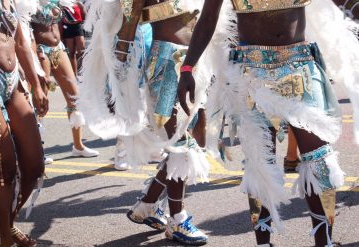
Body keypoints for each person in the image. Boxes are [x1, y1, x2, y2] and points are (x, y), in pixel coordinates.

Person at [177, 0, 358, 246]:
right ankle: (263, 243)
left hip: (300, 67)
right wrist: (188, 67)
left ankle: (323, 241)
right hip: (251, 73)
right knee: (259, 163)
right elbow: (208, 19)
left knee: (319, 161)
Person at [79, 0, 208, 245]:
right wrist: (118, 84)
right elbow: (128, 24)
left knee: (190, 143)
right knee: (179, 144)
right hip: (168, 63)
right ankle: (177, 219)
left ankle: (147, 205)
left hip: (193, 64)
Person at [0, 0, 49, 246]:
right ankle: (5, 238)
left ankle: (5, 226)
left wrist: (36, 85)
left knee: (35, 165)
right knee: (5, 168)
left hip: (13, 81)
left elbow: (22, 41)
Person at [31, 0, 99, 158]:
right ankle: (37, 151)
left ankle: (78, 145)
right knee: (41, 102)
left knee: (74, 96)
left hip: (58, 48)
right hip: (40, 50)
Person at [61, 0, 86, 75]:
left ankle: (83, 72)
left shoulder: (78, 3)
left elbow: (84, 15)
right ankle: (74, 75)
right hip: (67, 28)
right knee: (71, 53)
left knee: (82, 50)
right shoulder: (61, 3)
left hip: (77, 26)